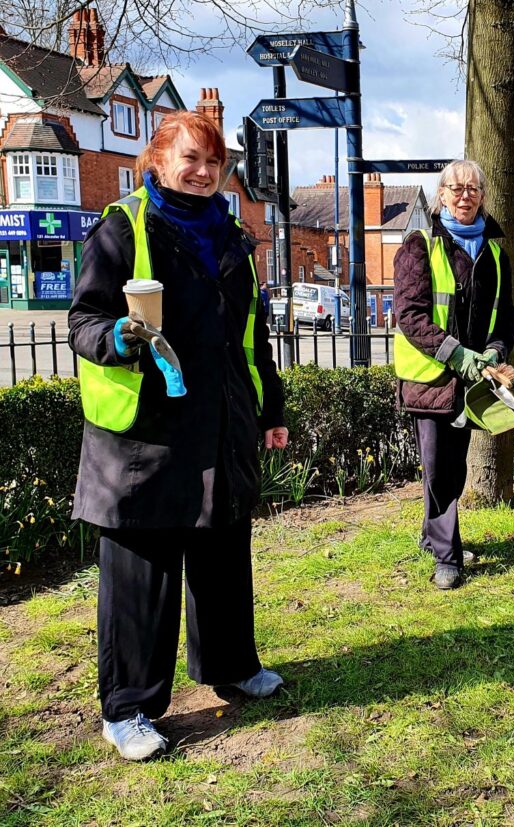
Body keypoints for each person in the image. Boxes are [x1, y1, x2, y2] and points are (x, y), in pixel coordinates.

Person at [68, 111, 288, 761]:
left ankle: (231, 664)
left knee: (223, 555)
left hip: (220, 423)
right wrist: (118, 338)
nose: (202, 171)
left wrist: (270, 409)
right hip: (145, 431)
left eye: (213, 162)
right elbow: (83, 320)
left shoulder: (232, 236)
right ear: (158, 160)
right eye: (190, 158)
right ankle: (129, 707)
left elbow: (252, 338)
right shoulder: (122, 226)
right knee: (143, 574)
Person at [392, 160, 514, 590]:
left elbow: (506, 319)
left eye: (473, 188)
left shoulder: (496, 251)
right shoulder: (418, 244)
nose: (465, 195)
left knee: (452, 467)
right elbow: (409, 314)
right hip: (430, 378)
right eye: (456, 188)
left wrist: (494, 353)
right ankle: (448, 556)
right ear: (441, 195)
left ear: (483, 195)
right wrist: (458, 355)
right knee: (439, 466)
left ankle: (432, 536)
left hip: (472, 381)